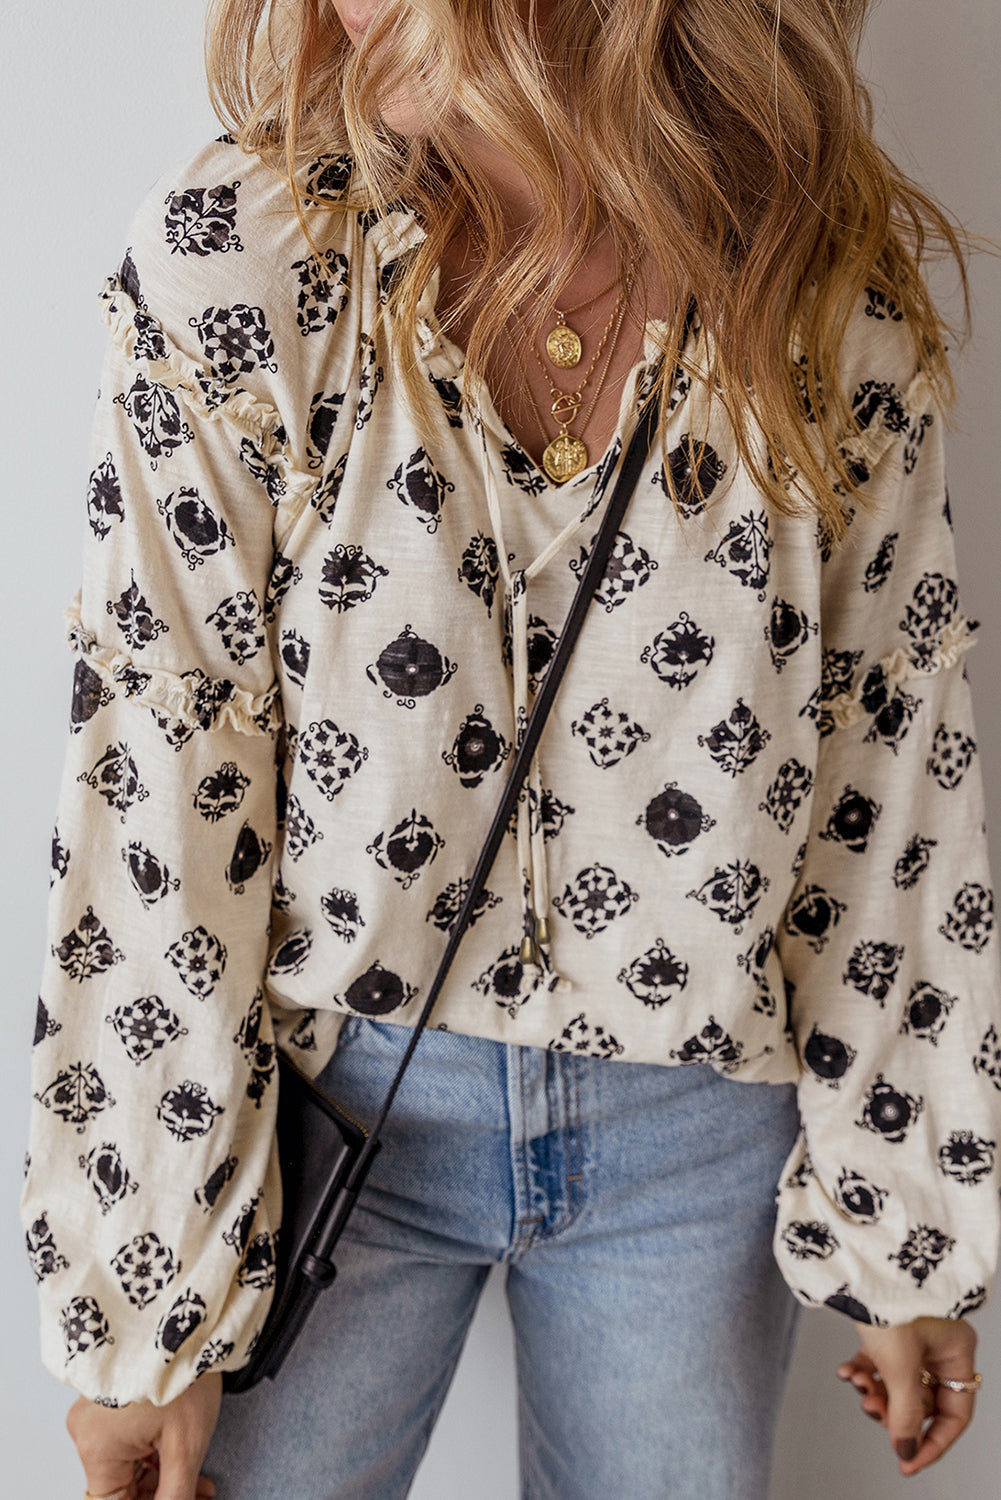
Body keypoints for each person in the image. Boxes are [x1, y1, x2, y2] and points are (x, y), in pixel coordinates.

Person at [19, 1, 1000, 1497]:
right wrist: (138, 1305)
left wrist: (908, 1216)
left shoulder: (815, 285)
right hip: (327, 1121)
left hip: (700, 1146)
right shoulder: (251, 261)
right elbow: (159, 765)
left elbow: (892, 760)